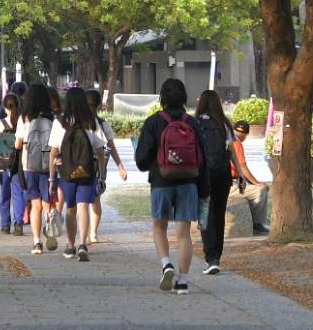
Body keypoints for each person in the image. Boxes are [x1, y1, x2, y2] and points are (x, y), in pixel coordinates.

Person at [134, 77, 210, 295]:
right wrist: (205, 190)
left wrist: (154, 164)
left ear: (162, 98)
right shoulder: (193, 123)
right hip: (189, 182)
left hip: (161, 181)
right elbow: (203, 159)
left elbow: (141, 160)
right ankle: (183, 281)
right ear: (184, 97)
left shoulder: (153, 122)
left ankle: (166, 264)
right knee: (184, 232)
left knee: (159, 226)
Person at [49, 86, 105, 261]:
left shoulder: (60, 122)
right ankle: (83, 244)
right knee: (83, 207)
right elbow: (101, 151)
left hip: (66, 173)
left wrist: (52, 178)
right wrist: (101, 175)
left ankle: (71, 246)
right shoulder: (91, 122)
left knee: (70, 209)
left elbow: (53, 152)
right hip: (87, 172)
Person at [194, 90, 237, 273]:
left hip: (203, 174)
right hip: (223, 174)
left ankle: (209, 256)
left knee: (205, 213)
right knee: (219, 214)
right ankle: (216, 257)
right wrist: (240, 173)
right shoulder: (224, 123)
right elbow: (232, 151)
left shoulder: (196, 123)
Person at [14, 84, 57, 255]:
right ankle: (50, 231)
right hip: (49, 166)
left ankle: (36, 242)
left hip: (29, 166)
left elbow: (18, 144)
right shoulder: (52, 118)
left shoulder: (24, 118)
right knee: (48, 204)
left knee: (35, 205)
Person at [86, 88, 128, 243]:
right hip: (98, 166)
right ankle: (93, 233)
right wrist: (120, 166)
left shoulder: (77, 122)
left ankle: (83, 233)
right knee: (96, 199)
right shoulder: (103, 125)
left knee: (81, 200)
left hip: (79, 165)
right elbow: (111, 147)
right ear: (98, 106)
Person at [229, 120, 271, 237]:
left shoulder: (225, 140)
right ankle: (257, 225)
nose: (239, 134)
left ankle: (258, 220)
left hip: (221, 183)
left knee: (253, 188)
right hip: (228, 186)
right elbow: (242, 167)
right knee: (260, 190)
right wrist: (257, 183)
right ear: (247, 135)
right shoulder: (236, 143)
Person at [0, 92, 22, 234]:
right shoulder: (22, 122)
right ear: (18, 106)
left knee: (4, 194)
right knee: (18, 194)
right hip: (19, 165)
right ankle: (18, 223)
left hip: (3, 165)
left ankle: (5, 225)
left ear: (4, 107)